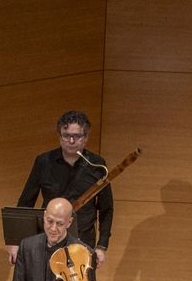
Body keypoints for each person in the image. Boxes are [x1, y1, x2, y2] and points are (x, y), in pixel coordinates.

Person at [8, 110, 113, 268]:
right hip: (49, 240)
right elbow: (25, 202)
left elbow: (106, 209)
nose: (71, 140)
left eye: (77, 136)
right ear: (60, 136)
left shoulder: (97, 165)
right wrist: (16, 242)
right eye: (66, 135)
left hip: (83, 243)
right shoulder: (44, 162)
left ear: (85, 138)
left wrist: (101, 246)